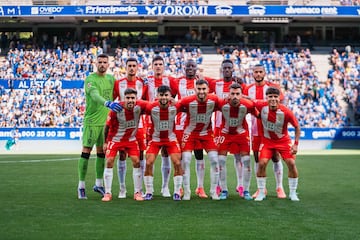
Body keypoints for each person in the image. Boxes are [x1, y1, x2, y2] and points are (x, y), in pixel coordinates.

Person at [77, 53, 122, 200]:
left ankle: (98, 184)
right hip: (92, 122)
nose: (102, 64)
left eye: (105, 62)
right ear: (96, 63)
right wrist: (107, 103)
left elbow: (120, 90)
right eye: (100, 62)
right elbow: (95, 95)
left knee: (102, 152)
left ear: (108, 65)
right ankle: (81, 186)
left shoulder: (111, 79)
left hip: (106, 123)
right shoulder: (90, 79)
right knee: (86, 152)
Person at [243, 64, 286, 199]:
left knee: (275, 157)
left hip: (271, 129)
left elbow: (280, 101)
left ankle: (280, 187)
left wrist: (255, 101)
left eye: (260, 72)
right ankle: (261, 188)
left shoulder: (273, 88)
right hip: (255, 129)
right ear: (252, 74)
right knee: (257, 158)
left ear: (265, 73)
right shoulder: (248, 89)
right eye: (256, 72)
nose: (258, 74)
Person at [176, 79, 220, 200]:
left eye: (203, 89)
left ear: (208, 90)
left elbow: (228, 105)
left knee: (214, 160)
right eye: (199, 89)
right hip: (190, 133)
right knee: (186, 160)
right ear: (195, 90)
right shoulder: (187, 101)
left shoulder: (214, 100)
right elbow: (173, 108)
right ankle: (187, 192)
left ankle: (213, 192)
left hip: (207, 133)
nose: (201, 92)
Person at [253, 87, 300, 201]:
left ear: (279, 98)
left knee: (291, 163)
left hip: (283, 142)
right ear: (266, 98)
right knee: (262, 163)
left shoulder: (286, 112)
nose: (273, 99)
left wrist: (295, 144)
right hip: (267, 142)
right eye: (270, 97)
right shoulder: (261, 106)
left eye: (275, 97)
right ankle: (261, 192)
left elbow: (297, 127)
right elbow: (250, 101)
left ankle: (293, 193)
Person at [172, 59, 209, 198]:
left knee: (199, 155)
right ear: (184, 67)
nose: (190, 68)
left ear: (196, 68)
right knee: (182, 158)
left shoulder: (201, 82)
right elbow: (172, 100)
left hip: (197, 125)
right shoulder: (177, 82)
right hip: (181, 125)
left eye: (193, 66)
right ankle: (180, 187)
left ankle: (200, 187)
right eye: (188, 66)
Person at [102, 88, 148, 202]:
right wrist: (105, 142)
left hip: (131, 139)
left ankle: (137, 192)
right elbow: (107, 127)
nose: (130, 100)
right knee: (109, 161)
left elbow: (151, 106)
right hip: (115, 139)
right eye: (128, 98)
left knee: (137, 161)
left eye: (133, 98)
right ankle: (108, 193)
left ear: (136, 99)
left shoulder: (139, 107)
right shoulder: (116, 109)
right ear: (124, 98)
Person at [209, 59, 246, 196]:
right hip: (220, 127)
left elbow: (246, 99)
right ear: (221, 69)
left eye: (229, 68)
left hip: (236, 126)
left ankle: (240, 185)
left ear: (232, 69)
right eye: (224, 68)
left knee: (239, 157)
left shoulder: (238, 85)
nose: (226, 70)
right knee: (220, 158)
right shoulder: (216, 84)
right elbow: (200, 81)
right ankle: (219, 185)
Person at [113, 57, 147, 199]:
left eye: (134, 66)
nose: (132, 68)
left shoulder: (141, 84)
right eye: (129, 66)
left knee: (140, 156)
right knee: (122, 155)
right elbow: (113, 101)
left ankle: (139, 189)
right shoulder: (118, 84)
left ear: (137, 67)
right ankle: (122, 188)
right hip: (122, 126)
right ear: (125, 67)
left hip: (139, 125)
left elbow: (145, 103)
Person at [145, 55, 178, 197]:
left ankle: (165, 187)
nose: (158, 66)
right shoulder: (147, 81)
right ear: (152, 66)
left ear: (164, 66)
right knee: (147, 158)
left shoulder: (170, 80)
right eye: (156, 64)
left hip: (168, 122)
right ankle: (146, 189)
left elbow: (176, 97)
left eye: (160, 64)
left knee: (166, 153)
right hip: (150, 123)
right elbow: (142, 98)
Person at [143, 85, 183, 201]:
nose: (164, 98)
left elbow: (188, 105)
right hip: (155, 139)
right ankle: (149, 191)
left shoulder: (176, 106)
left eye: (166, 95)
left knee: (177, 162)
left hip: (170, 138)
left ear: (170, 96)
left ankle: (176, 192)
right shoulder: (151, 107)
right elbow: (139, 107)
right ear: (157, 96)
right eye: (161, 95)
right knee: (149, 162)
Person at [217, 83, 256, 200]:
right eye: (232, 94)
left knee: (246, 162)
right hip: (225, 133)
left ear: (241, 95)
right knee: (221, 162)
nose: (235, 97)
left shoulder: (248, 105)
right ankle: (224, 190)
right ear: (228, 94)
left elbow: (259, 114)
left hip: (241, 134)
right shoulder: (221, 103)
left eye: (237, 94)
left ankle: (246, 191)